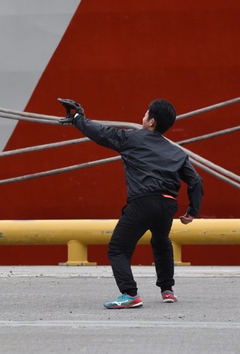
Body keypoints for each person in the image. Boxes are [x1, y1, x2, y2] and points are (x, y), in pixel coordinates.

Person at [58, 98, 203, 309]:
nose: (142, 117)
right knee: (162, 243)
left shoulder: (132, 138)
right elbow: (196, 181)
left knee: (118, 249)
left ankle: (130, 293)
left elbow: (102, 133)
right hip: (168, 205)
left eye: (145, 114)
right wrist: (192, 211)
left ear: (151, 122)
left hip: (144, 202)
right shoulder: (176, 152)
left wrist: (78, 118)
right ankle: (167, 290)